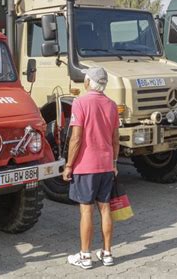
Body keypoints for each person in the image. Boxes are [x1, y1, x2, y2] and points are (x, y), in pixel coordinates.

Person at [63, 67, 120, 270]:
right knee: (105, 209)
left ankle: (85, 256)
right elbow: (115, 139)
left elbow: (76, 138)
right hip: (106, 165)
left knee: (86, 210)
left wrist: (69, 165)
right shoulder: (112, 105)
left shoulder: (80, 103)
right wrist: (114, 164)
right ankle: (107, 254)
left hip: (85, 166)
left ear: (88, 82)